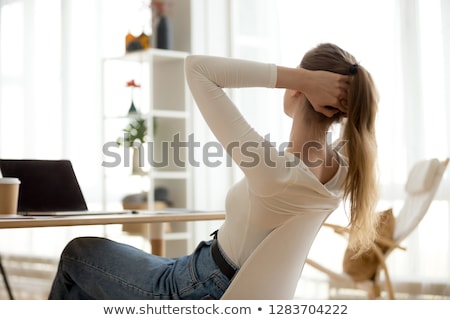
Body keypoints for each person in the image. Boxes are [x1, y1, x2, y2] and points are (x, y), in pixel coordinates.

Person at [48, 43, 379, 300]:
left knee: (78, 253)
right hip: (205, 274)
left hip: (197, 287)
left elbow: (197, 68)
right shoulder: (343, 170)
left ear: (300, 90)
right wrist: (311, 82)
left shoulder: (276, 171)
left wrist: (303, 78)